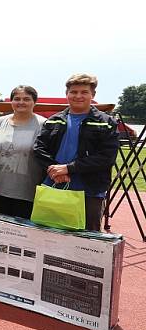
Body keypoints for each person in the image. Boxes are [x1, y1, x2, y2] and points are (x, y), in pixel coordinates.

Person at [34, 74, 118, 231]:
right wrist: (55, 170)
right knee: (49, 236)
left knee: (86, 241)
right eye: (73, 92)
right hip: (54, 185)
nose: (78, 96)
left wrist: (69, 168)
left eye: (84, 92)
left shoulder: (106, 123)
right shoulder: (53, 120)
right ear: (67, 94)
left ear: (93, 95)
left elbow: (106, 157)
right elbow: (39, 149)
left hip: (89, 191)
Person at [0, 86, 46, 219]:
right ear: (11, 101)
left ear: (34, 102)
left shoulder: (43, 125)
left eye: (26, 99)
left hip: (27, 193)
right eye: (17, 99)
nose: (21, 102)